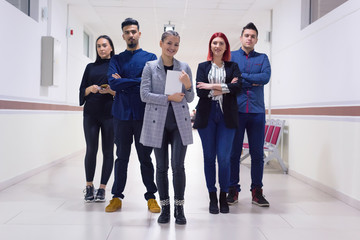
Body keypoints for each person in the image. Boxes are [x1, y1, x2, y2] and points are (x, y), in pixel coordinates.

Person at [105, 18, 160, 213]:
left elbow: (151, 83)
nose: (131, 35)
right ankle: (116, 197)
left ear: (139, 33)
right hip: (121, 116)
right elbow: (113, 84)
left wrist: (125, 81)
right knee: (121, 158)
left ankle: (151, 197)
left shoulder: (150, 57)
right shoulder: (116, 59)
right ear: (123, 35)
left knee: (145, 158)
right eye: (127, 32)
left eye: (134, 31)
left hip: (143, 115)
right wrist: (137, 82)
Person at [140, 30, 194, 225]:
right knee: (161, 167)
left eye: (176, 44)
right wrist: (167, 98)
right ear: (161, 43)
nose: (172, 47)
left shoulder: (184, 67)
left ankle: (179, 209)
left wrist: (187, 86)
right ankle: (165, 208)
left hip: (179, 124)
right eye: (169, 43)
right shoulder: (150, 67)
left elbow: (189, 98)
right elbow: (144, 95)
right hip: (157, 124)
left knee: (178, 166)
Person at [193, 32, 242, 214]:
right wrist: (225, 88)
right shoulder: (203, 67)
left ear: (226, 47)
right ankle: (212, 196)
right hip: (207, 116)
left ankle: (223, 196)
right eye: (214, 42)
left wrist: (211, 86)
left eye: (221, 43)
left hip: (226, 116)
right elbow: (200, 92)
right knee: (208, 157)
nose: (218, 46)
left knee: (224, 158)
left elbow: (237, 87)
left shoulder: (232, 66)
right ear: (210, 46)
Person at [228, 22, 271, 207]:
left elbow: (265, 78)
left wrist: (243, 78)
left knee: (257, 154)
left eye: (253, 36)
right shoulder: (231, 57)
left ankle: (257, 191)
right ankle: (232, 190)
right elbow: (230, 80)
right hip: (236, 110)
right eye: (247, 35)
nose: (249, 38)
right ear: (241, 37)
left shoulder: (263, 58)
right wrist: (253, 81)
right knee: (233, 153)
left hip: (256, 112)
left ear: (256, 39)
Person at [79, 35, 116, 202]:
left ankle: (102, 188)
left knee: (108, 151)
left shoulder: (116, 67)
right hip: (91, 114)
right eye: (99, 46)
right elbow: (82, 91)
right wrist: (90, 88)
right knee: (91, 150)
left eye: (104, 45)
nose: (101, 48)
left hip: (110, 114)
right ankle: (89, 186)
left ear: (111, 48)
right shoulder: (90, 67)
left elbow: (120, 92)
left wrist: (110, 91)